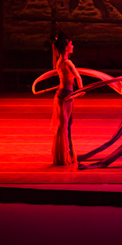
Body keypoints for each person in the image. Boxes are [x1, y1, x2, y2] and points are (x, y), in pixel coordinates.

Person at [50, 29, 83, 165]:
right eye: (71, 44)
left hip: (62, 95)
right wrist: (81, 90)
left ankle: (65, 154)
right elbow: (78, 77)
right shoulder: (68, 63)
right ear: (66, 47)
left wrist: (78, 92)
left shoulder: (59, 61)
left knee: (66, 125)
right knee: (65, 126)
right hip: (66, 96)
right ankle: (65, 155)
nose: (73, 46)